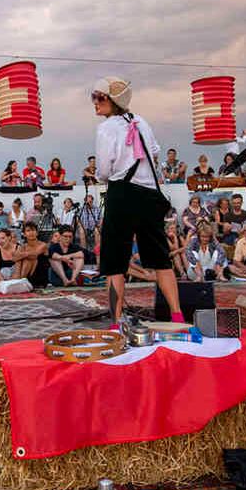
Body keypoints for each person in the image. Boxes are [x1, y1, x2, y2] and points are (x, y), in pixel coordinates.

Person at [92, 76, 183, 327]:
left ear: (112, 101)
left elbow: (103, 171)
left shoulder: (106, 128)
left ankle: (115, 322)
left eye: (99, 97)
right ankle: (177, 316)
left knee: (114, 262)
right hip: (149, 194)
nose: (95, 102)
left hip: (122, 193)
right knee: (161, 259)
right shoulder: (141, 120)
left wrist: (104, 174)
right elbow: (154, 151)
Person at [12, 221, 50, 287]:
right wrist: (24, 254)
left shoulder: (43, 245)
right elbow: (14, 258)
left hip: (39, 277)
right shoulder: (23, 246)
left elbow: (34, 254)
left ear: (37, 233)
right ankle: (18, 281)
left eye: (33, 230)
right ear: (24, 234)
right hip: (27, 276)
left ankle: (19, 282)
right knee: (19, 260)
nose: (31, 233)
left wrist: (22, 255)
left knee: (28, 259)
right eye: (28, 231)